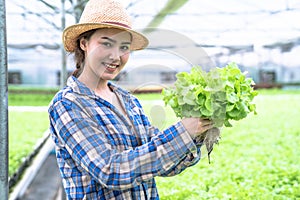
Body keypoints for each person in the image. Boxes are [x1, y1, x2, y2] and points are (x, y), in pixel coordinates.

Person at [48, 0, 214, 199]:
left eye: (124, 47)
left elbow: (162, 163)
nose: (115, 56)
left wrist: (197, 133)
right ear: (84, 43)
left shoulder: (129, 101)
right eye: (106, 43)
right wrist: (183, 132)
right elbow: (110, 171)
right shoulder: (68, 104)